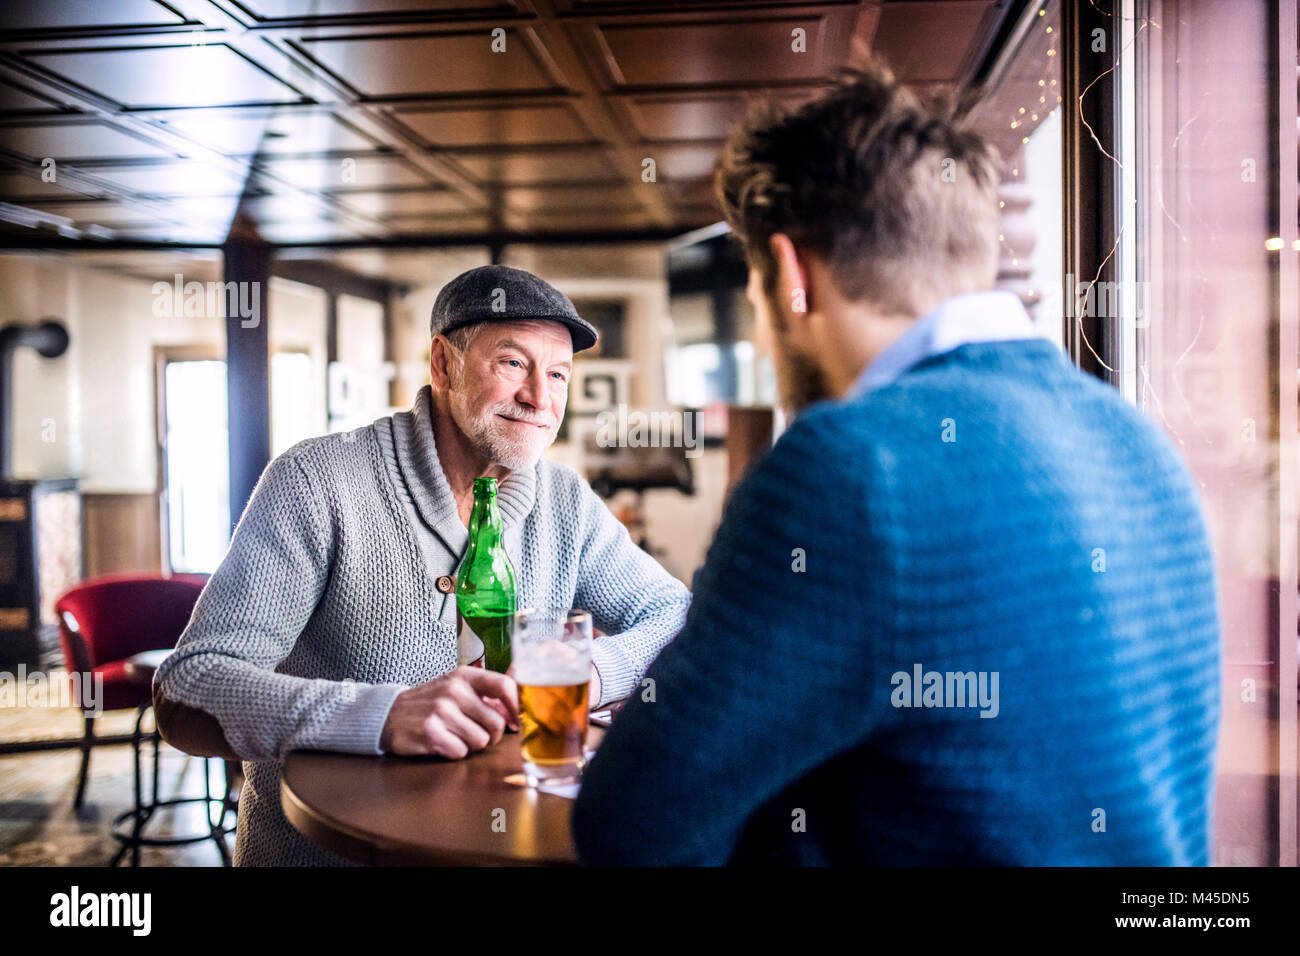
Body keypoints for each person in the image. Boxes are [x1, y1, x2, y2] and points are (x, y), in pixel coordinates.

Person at [571, 61, 1222, 865]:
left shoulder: (846, 470)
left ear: (791, 275)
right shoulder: (1139, 442)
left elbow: (631, 823)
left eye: (755, 293)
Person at [154, 264, 691, 866]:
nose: (540, 398)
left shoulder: (565, 500)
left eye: (558, 373)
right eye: (513, 363)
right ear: (443, 364)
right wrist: (379, 716)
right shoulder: (317, 482)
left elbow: (676, 613)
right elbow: (188, 692)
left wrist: (595, 673)